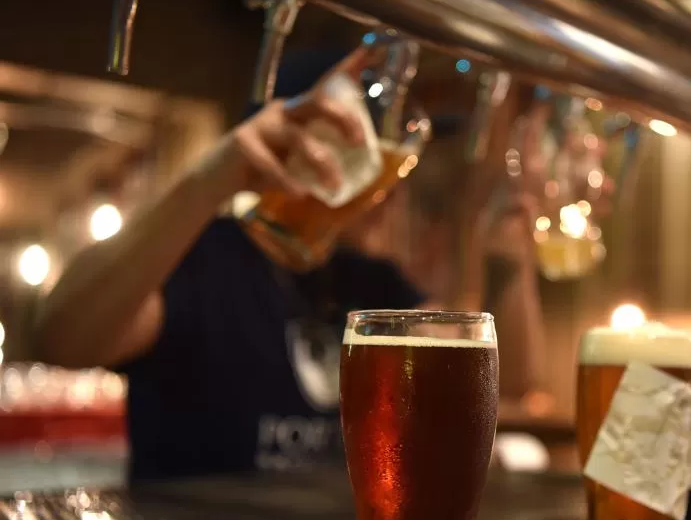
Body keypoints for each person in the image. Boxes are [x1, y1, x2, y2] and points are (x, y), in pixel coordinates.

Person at [29, 48, 542, 482]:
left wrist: (508, 258)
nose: (389, 183)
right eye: (363, 145)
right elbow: (61, 338)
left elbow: (509, 382)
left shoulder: (367, 280)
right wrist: (210, 180)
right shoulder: (206, 259)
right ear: (288, 142)